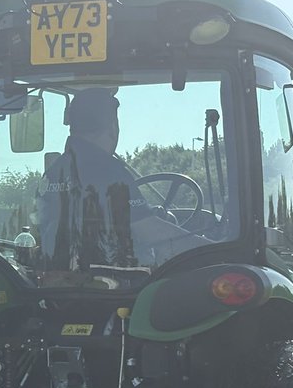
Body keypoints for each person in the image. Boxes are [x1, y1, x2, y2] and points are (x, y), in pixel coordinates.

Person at [36, 88, 192, 274]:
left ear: (73, 126)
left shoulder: (54, 172)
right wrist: (212, 248)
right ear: (113, 127)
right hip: (114, 285)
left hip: (60, 285)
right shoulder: (108, 170)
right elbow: (152, 233)